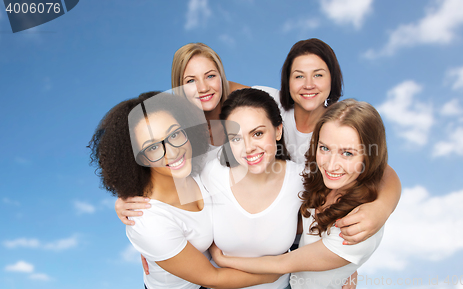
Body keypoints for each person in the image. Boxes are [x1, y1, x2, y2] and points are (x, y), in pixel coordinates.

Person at [116, 39, 400, 245]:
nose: (203, 88)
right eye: (190, 81)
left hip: (295, 234)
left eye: (211, 76)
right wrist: (127, 195)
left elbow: (377, 166)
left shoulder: (265, 104)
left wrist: (380, 209)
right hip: (225, 243)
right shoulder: (180, 135)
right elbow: (158, 167)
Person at [88, 91, 279, 289]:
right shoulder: (147, 221)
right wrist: (275, 274)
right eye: (152, 147)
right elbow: (212, 277)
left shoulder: (201, 165)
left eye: (175, 134)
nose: (173, 152)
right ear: (136, 158)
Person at [209, 99, 388, 289]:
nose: (331, 164)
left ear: (369, 156)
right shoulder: (323, 183)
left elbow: (282, 264)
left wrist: (223, 260)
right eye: (325, 148)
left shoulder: (358, 225)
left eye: (348, 153)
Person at [202, 88, 304, 289]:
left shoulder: (301, 179)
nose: (248, 148)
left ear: (278, 131)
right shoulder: (211, 174)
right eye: (236, 138)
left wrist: (343, 268)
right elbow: (167, 203)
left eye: (257, 133)